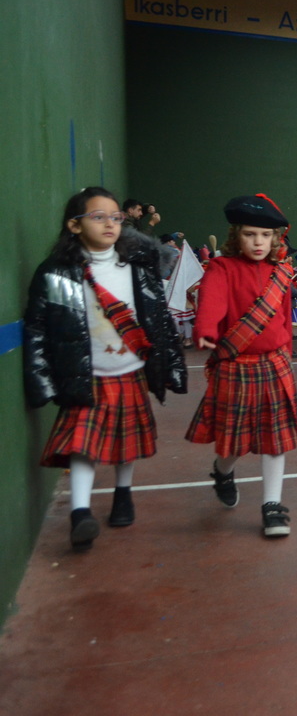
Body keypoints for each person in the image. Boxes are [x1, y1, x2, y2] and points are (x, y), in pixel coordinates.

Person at [24, 186, 187, 550]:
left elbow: (159, 319)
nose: (110, 224)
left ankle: (123, 493)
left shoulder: (137, 268)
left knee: (126, 442)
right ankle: (80, 512)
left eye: (116, 217)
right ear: (74, 225)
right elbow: (37, 326)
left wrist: (173, 366)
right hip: (86, 374)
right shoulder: (58, 273)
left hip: (130, 370)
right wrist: (41, 380)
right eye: (98, 217)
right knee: (83, 447)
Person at [185, 195, 297, 538]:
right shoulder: (221, 268)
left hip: (274, 364)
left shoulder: (280, 273)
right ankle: (223, 471)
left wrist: (286, 350)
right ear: (236, 235)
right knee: (234, 443)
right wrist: (205, 329)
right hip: (235, 365)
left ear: (275, 238)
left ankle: (272, 505)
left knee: (275, 440)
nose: (258, 242)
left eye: (265, 235)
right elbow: (211, 302)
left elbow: (284, 318)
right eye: (250, 234)